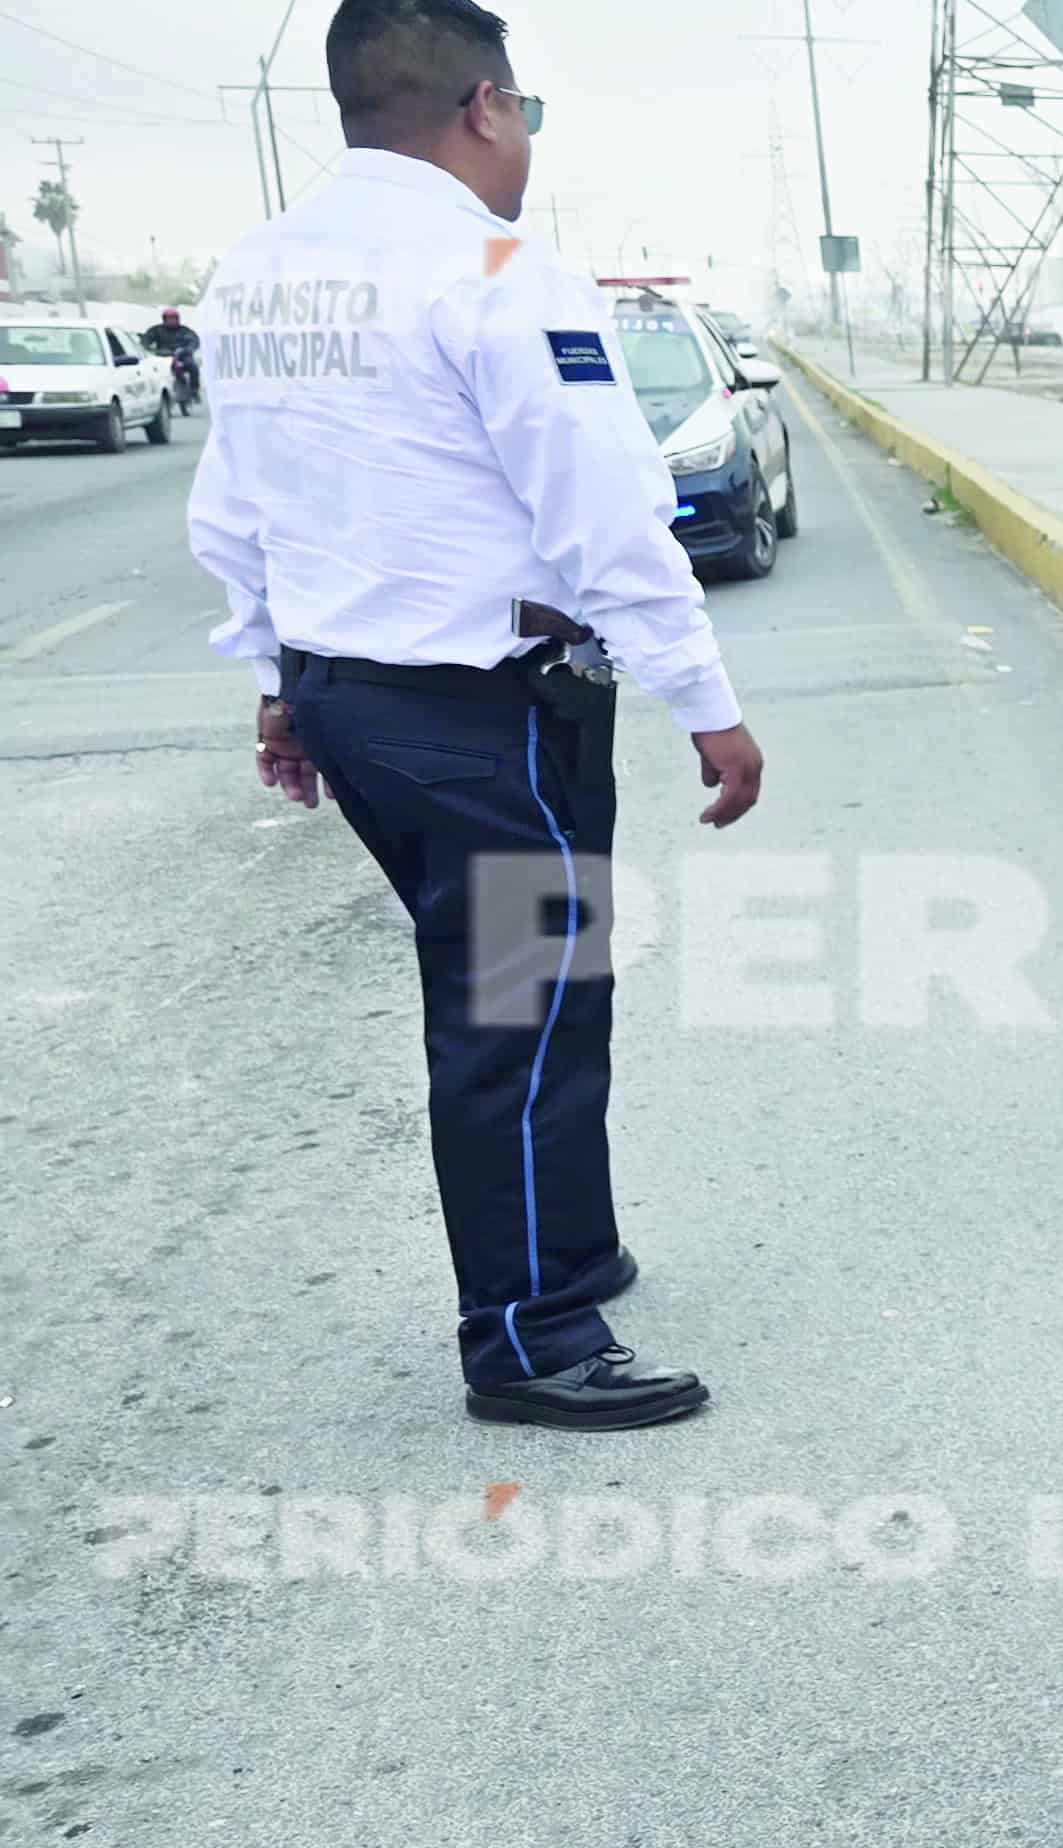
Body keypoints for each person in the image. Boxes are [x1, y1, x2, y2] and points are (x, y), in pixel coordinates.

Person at [190, 0, 764, 1430]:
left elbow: (236, 507)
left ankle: (564, 1247)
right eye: (525, 121)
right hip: (486, 710)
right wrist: (706, 700)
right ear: (485, 107)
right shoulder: (500, 268)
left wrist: (276, 679)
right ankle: (528, 1334)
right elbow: (610, 516)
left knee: (542, 986)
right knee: (517, 1005)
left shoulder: (259, 274)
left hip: (356, 698)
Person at [140, 304, 201, 408]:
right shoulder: (157, 330)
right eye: (169, 319)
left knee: (193, 367)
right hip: (164, 358)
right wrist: (149, 349)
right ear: (164, 319)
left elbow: (194, 340)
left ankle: (194, 391)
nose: (172, 321)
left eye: (174, 319)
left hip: (182, 356)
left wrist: (188, 349)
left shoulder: (184, 330)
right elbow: (146, 340)